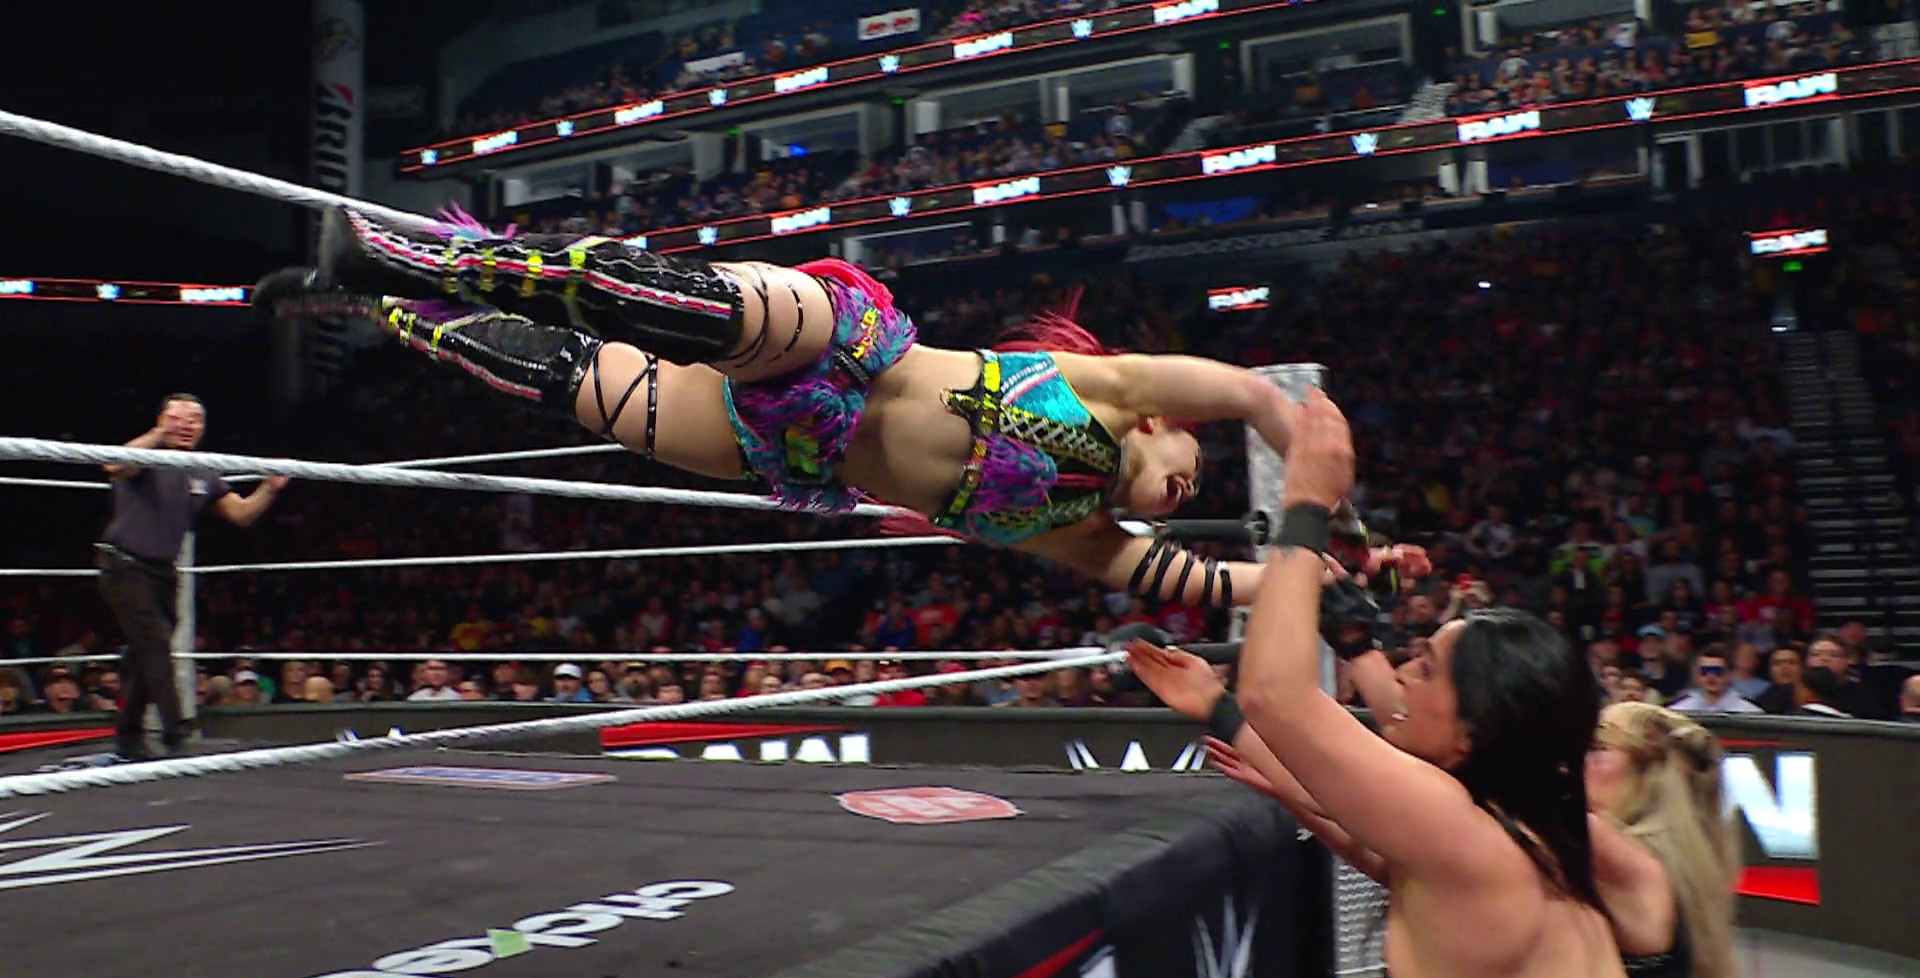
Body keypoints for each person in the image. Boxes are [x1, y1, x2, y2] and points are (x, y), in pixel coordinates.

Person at [255, 207, 1305, 610]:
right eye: (1197, 468)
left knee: (571, 381)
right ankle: (405, 258)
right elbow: (1257, 396)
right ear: (1166, 425)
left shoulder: (1081, 532)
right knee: (665, 301)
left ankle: (379, 302)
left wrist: (1314, 579)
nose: (1188, 491)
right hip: (849, 344)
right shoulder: (1115, 391)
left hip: (789, 447)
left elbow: (1208, 582)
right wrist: (1318, 494)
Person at [1170, 388, 1658, 978]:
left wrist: (1305, 504)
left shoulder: (1467, 830)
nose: (1399, 675)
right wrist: (1221, 712)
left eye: (1424, 669)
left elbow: (1277, 695)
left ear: (1472, 734)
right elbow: (1364, 836)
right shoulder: (1520, 823)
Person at [97, 394, 287, 759]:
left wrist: (268, 488)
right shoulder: (147, 456)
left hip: (163, 571)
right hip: (124, 565)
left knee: (143, 654)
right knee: (155, 645)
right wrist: (158, 434)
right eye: (177, 417)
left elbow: (241, 515)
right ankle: (177, 731)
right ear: (161, 419)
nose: (186, 424)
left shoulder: (202, 470)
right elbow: (114, 465)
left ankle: (129, 733)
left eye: (194, 418)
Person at [1585, 702, 1740, 978]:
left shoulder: (1620, 858)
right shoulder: (1673, 859)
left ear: (1647, 773)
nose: (1578, 760)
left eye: (1598, 749)